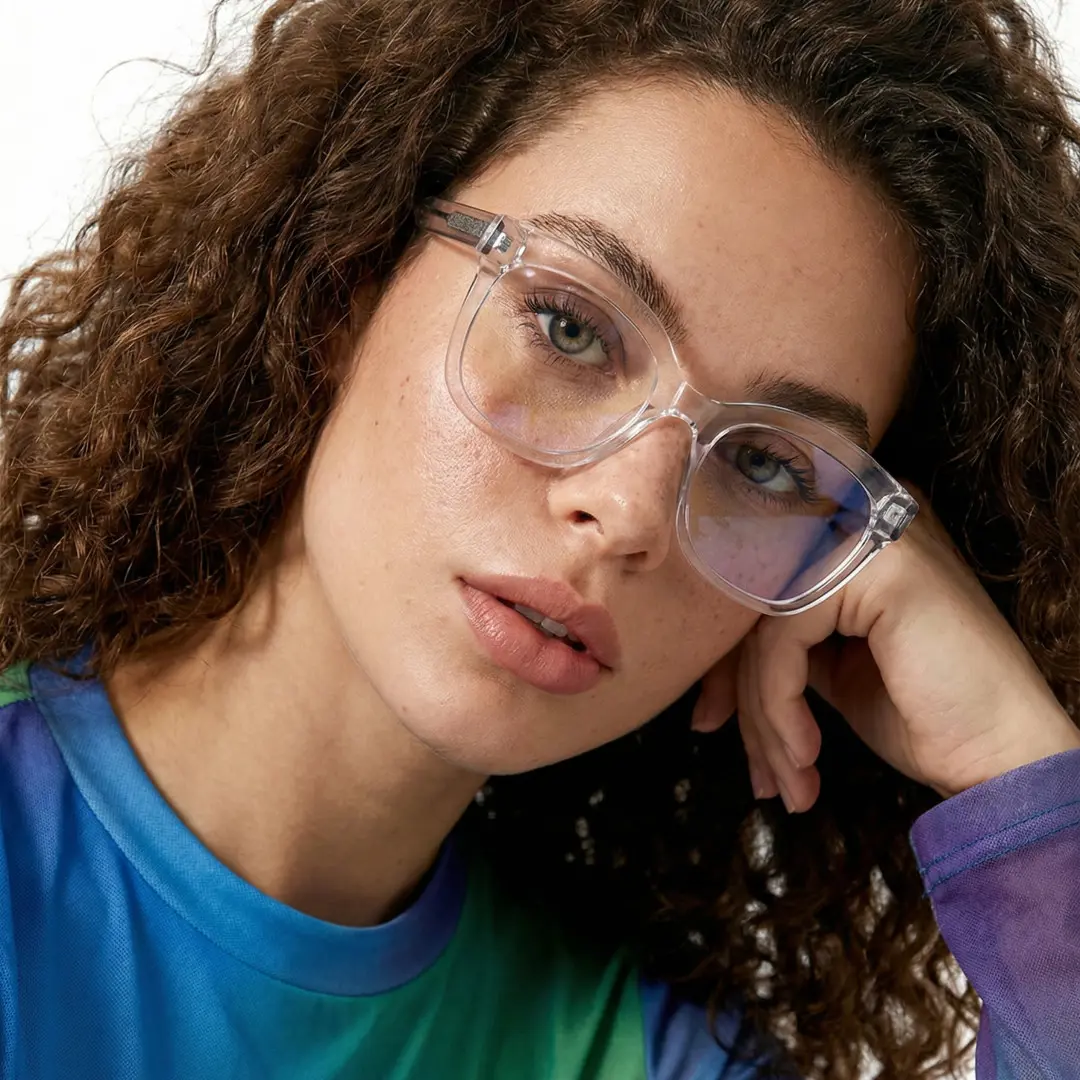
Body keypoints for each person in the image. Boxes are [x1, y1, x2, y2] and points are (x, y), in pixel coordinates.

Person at [2, 0, 1080, 1076]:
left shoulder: (635, 1053)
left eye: (766, 466)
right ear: (342, 274)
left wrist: (1025, 780)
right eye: (571, 327)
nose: (628, 516)